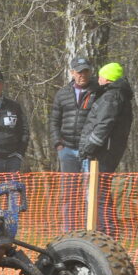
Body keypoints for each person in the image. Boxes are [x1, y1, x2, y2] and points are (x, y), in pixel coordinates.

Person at [79, 62, 134, 236]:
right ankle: (105, 230)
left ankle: (106, 232)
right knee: (100, 193)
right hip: (105, 151)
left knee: (98, 194)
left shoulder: (111, 97)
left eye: (101, 76)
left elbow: (104, 125)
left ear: (108, 78)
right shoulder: (114, 95)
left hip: (101, 152)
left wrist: (89, 146)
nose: (98, 79)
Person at [50, 56, 98, 230]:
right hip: (67, 149)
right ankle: (68, 230)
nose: (82, 75)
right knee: (69, 192)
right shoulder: (62, 93)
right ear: (72, 73)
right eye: (79, 72)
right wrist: (58, 143)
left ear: (90, 72)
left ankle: (88, 230)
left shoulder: (98, 91)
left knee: (90, 193)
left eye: (85, 71)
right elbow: (54, 121)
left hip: (89, 151)